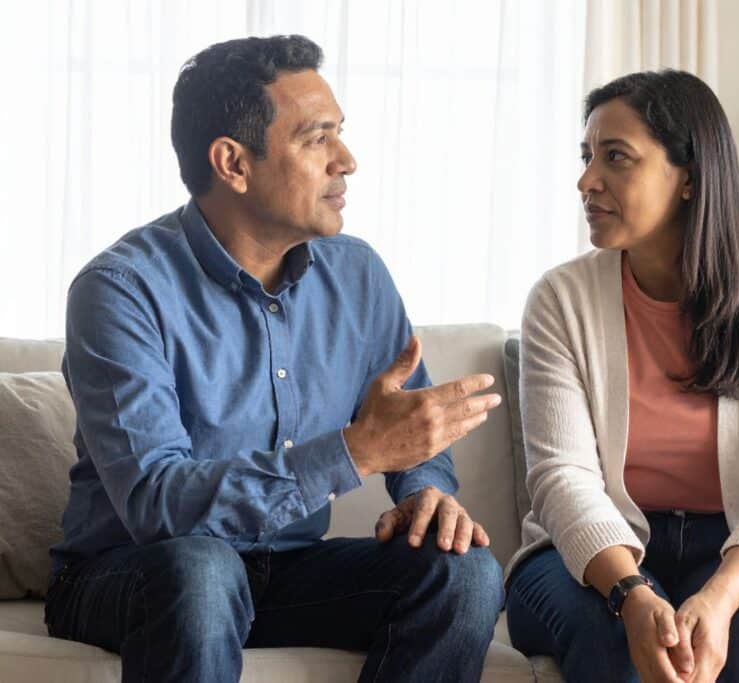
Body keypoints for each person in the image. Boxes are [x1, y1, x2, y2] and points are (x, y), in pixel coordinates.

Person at [44, 34, 504, 683]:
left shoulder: (358, 276)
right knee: (202, 569)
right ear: (233, 162)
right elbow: (155, 502)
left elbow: (409, 428)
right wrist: (355, 451)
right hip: (133, 568)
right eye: (317, 139)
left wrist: (428, 492)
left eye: (340, 134)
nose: (346, 160)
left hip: (285, 566)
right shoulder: (120, 290)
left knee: (465, 573)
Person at [504, 69, 739, 683]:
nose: (586, 181)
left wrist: (719, 599)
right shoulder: (560, 300)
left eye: (616, 158)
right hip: (591, 552)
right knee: (616, 639)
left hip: (738, 543)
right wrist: (633, 595)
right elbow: (562, 478)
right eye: (587, 157)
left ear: (688, 176)